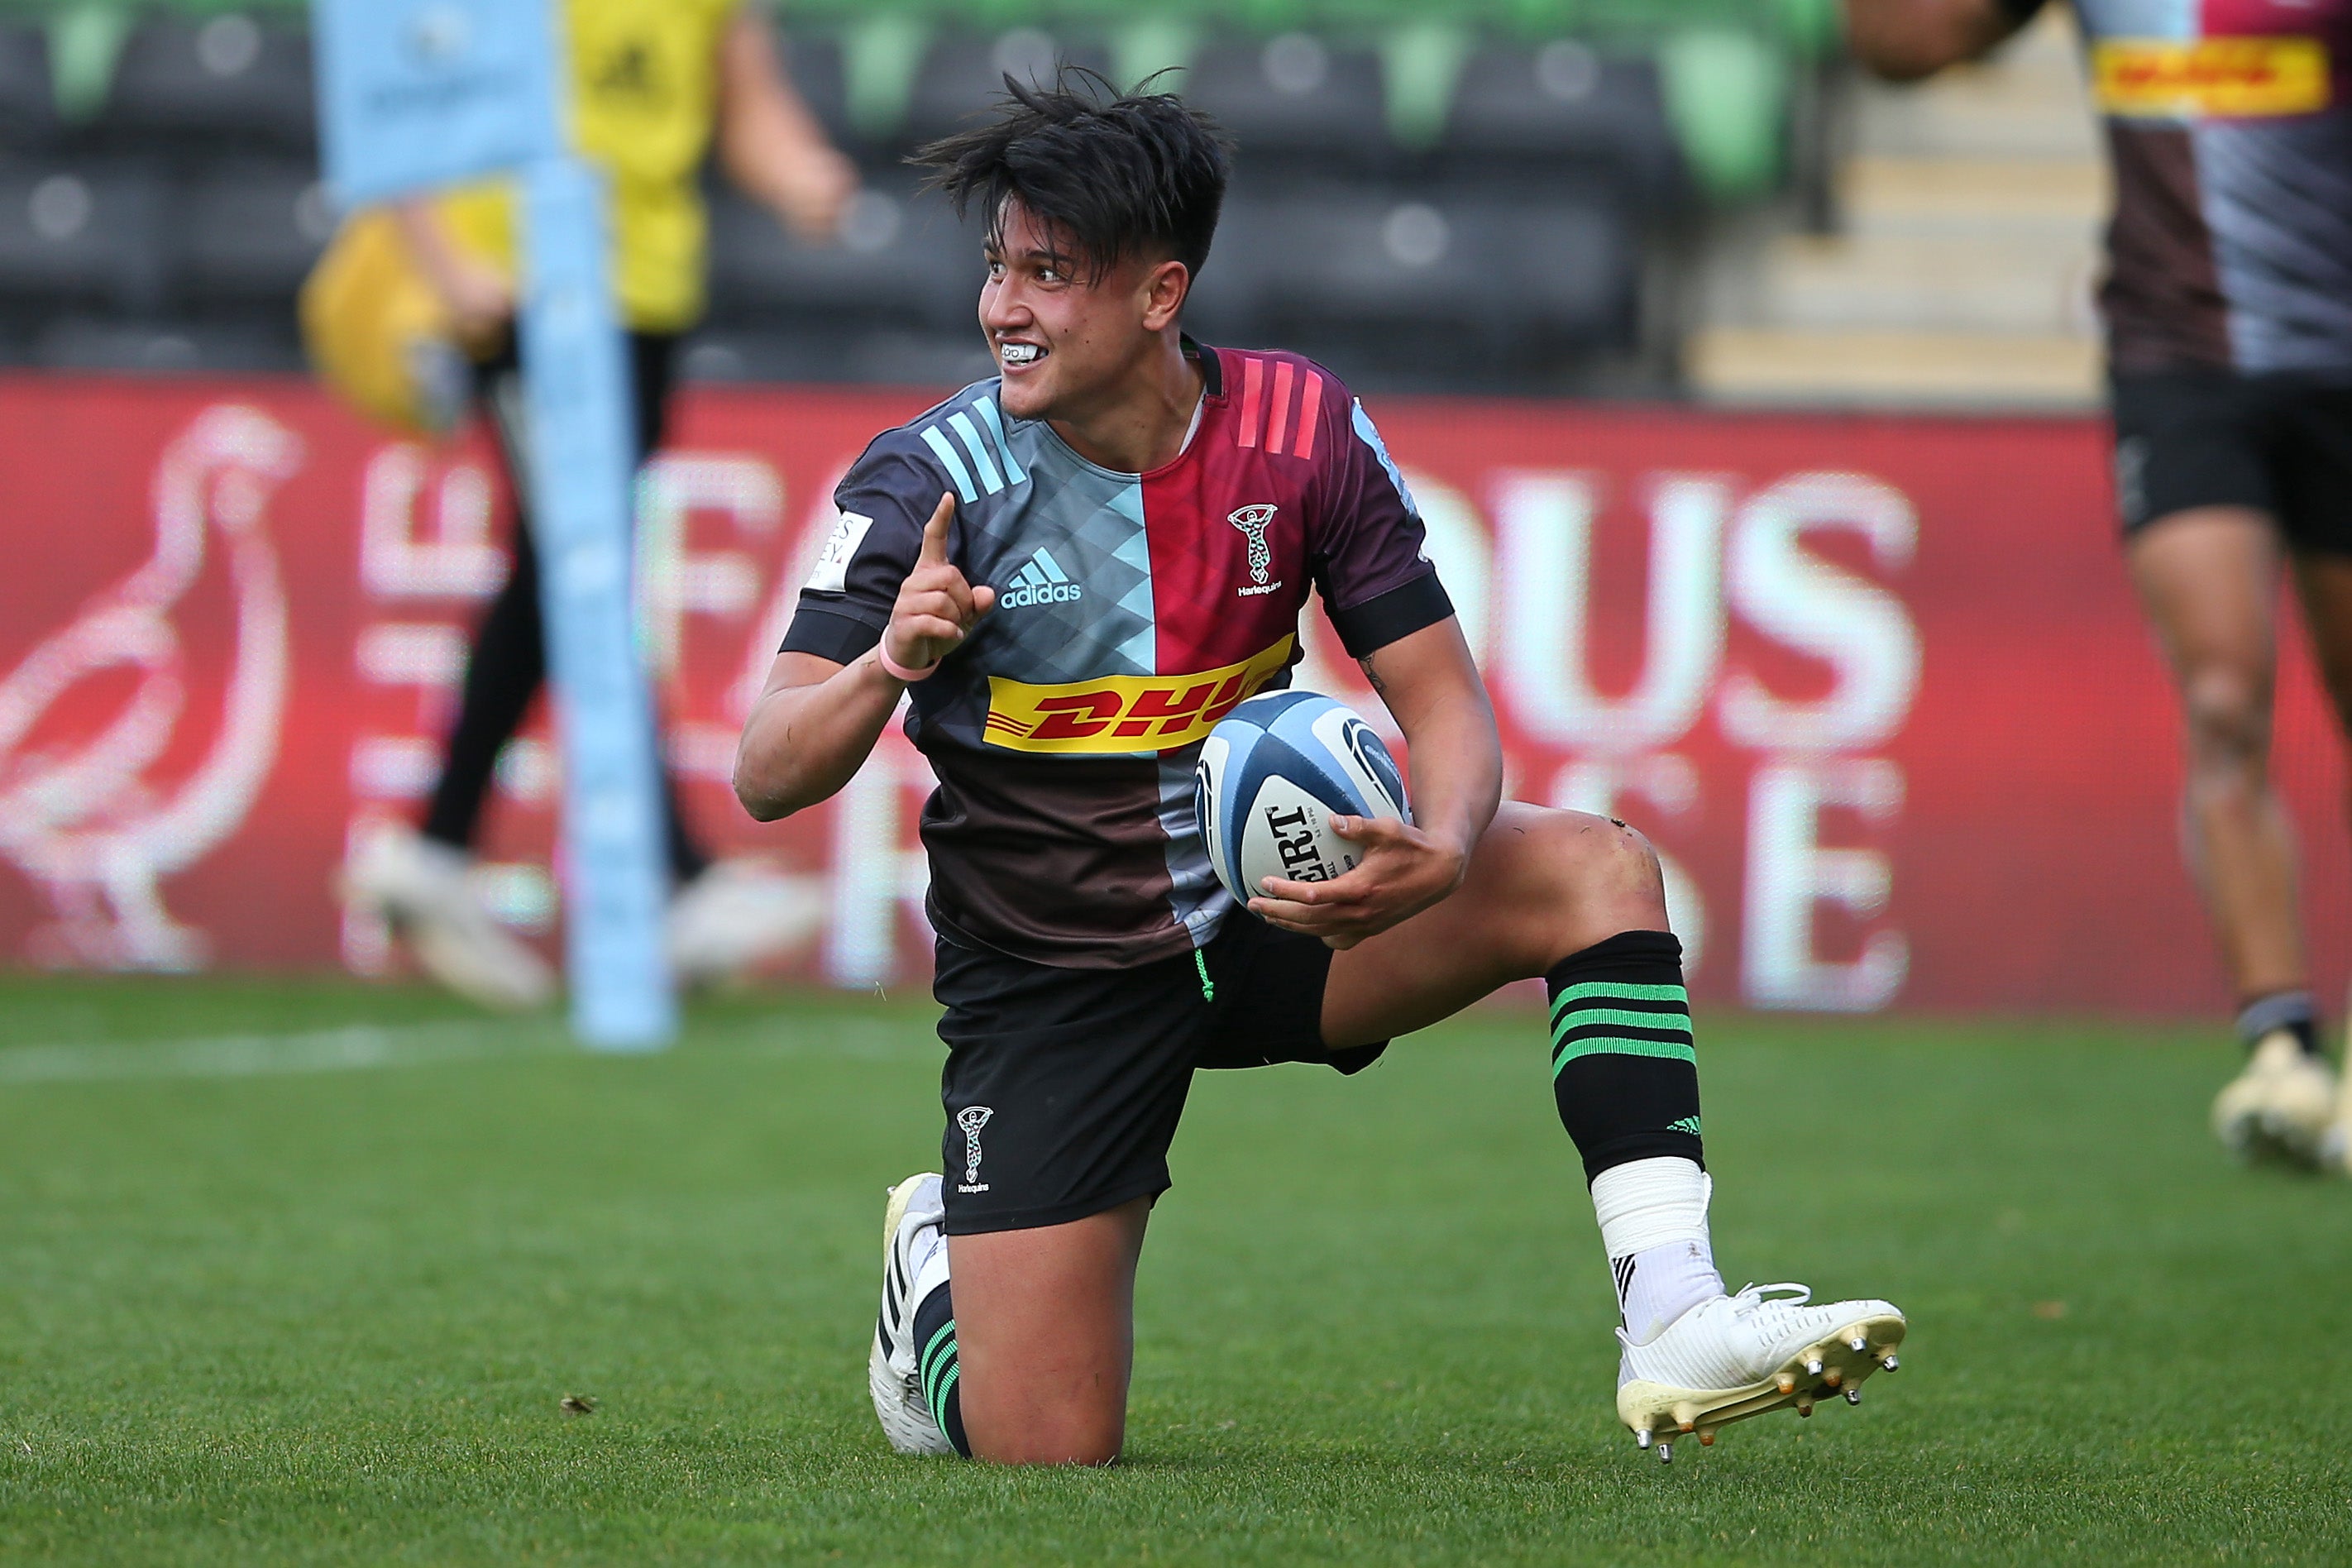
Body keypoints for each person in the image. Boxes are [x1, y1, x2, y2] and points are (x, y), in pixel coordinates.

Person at [732, 74, 1905, 1466]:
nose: (1004, 308)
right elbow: (765, 768)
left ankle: (1672, 1317)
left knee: (1594, 867)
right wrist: (887, 667)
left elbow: (1448, 713)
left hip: (1278, 913)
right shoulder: (927, 481)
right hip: (1053, 973)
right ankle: (933, 1264)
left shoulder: (1298, 436)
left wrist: (1449, 843)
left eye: (1048, 274)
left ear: (1157, 292)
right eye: (997, 266)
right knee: (1039, 1447)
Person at [1843, 0, 2352, 1168]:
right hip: (2180, 367)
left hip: (2342, 365)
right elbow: (1902, 43)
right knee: (2225, 697)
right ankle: (2282, 1050)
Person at [342, 0, 858, 1008]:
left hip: (644, 291)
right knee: (577, 564)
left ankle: (437, 850)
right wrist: (445, 261)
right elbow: (401, 95)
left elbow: (743, 98)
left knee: (560, 568)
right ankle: (676, 880)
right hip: (521, 288)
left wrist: (805, 178)